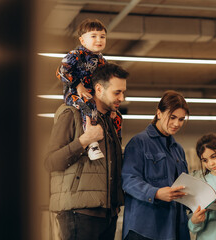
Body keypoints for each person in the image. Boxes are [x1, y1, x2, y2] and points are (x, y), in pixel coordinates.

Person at [45, 63, 129, 240]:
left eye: (123, 92)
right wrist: (84, 140)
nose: (122, 98)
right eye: (117, 92)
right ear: (99, 89)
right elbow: (51, 161)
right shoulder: (71, 114)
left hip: (108, 213)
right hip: (79, 213)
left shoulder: (109, 122)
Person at [121, 90, 191, 240]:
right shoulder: (139, 143)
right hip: (144, 229)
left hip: (174, 229)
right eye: (172, 117)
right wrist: (156, 193)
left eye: (181, 119)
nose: (176, 124)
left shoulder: (178, 150)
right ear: (159, 113)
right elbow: (128, 180)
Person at [56, 18, 123, 160]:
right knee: (89, 105)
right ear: (82, 40)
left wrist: (112, 106)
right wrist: (77, 85)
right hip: (74, 93)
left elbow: (107, 82)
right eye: (93, 36)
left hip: (92, 94)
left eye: (102, 36)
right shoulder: (76, 55)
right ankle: (92, 145)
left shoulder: (102, 60)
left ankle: (116, 145)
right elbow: (61, 71)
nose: (99, 39)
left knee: (117, 116)